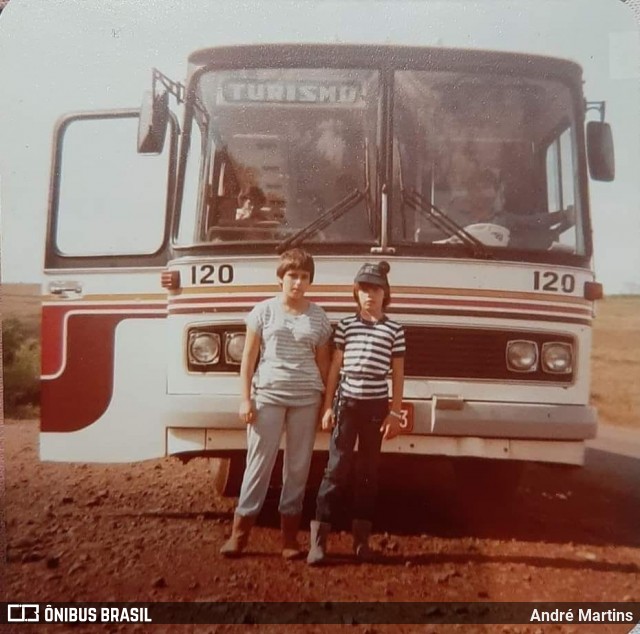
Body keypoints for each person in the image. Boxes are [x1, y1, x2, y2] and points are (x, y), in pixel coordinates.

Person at [220, 248, 332, 559]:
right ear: (280, 278)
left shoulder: (319, 317)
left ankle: (289, 542)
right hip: (267, 395)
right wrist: (245, 398)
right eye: (292, 276)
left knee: (297, 469)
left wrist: (327, 405)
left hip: (306, 398)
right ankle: (239, 537)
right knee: (258, 465)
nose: (298, 283)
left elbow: (324, 365)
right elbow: (248, 360)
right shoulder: (263, 312)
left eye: (304, 277)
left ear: (310, 281)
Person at [307, 261, 406, 566]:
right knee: (336, 469)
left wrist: (394, 413)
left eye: (375, 289)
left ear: (384, 293)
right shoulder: (346, 326)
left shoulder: (395, 330)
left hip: (376, 408)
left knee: (368, 473)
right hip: (346, 405)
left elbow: (399, 374)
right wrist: (327, 407)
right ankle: (318, 544)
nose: (369, 295)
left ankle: (361, 543)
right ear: (356, 293)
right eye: (363, 289)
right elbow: (335, 368)